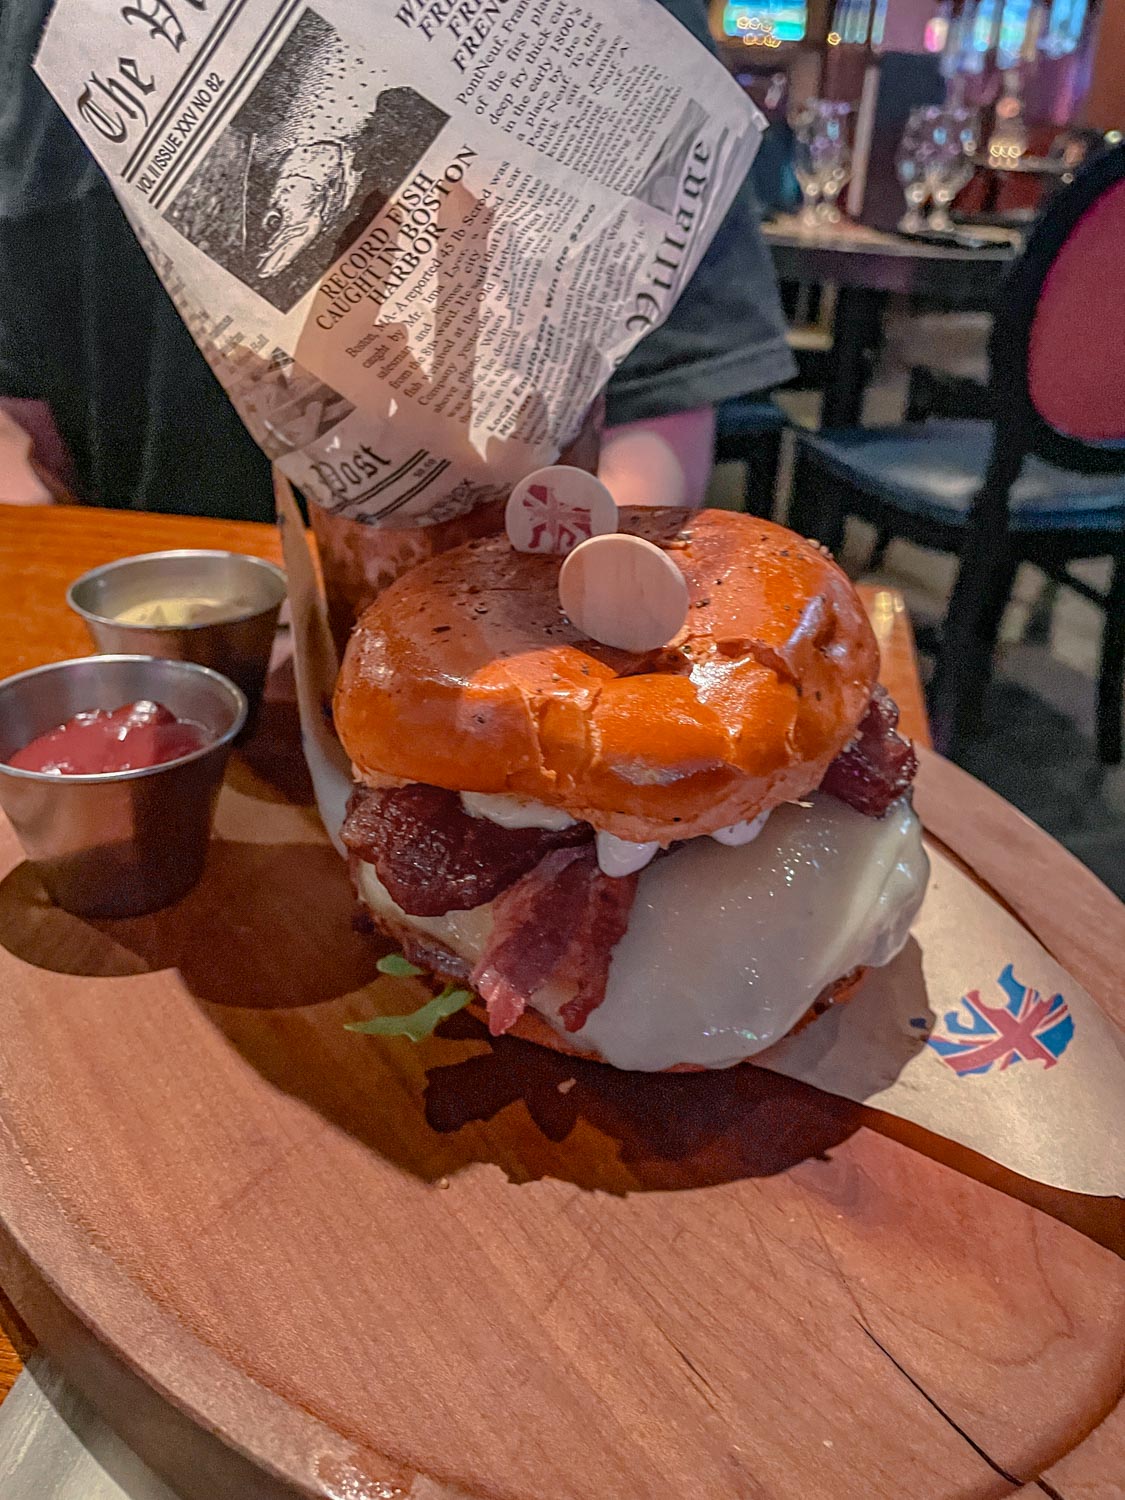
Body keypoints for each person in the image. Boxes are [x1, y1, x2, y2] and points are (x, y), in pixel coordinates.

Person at [0, 0, 792, 517]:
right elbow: (20, 418)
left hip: (509, 636)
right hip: (157, 654)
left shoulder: (632, 26)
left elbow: (661, 410)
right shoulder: (29, 37)